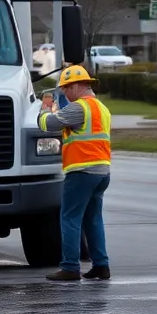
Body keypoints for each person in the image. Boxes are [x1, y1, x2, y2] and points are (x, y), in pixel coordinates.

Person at [38, 64, 112, 282]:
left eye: (67, 89)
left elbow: (48, 124)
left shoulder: (79, 108)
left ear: (78, 86)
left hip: (81, 171)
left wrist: (45, 105)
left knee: (70, 218)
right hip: (101, 171)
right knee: (93, 219)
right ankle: (101, 266)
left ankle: (70, 267)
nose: (65, 93)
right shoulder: (101, 108)